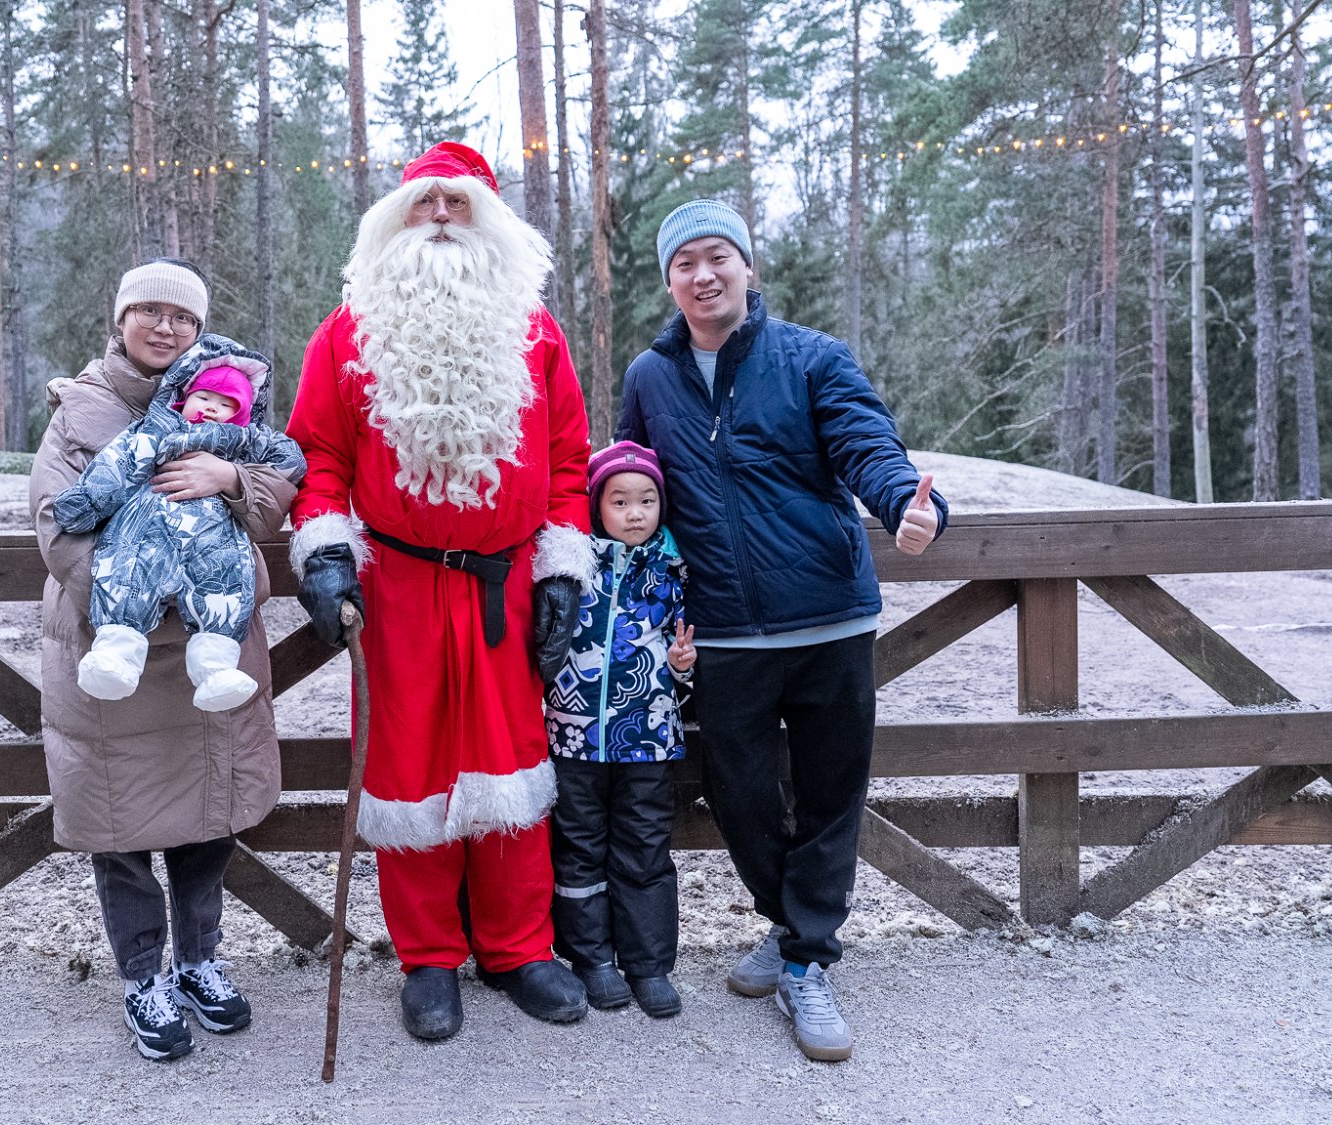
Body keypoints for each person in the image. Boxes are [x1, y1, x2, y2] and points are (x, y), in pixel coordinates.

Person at [616, 199, 944, 1063]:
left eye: (718, 255)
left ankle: (805, 956)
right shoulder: (650, 377)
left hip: (830, 616)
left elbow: (869, 447)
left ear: (747, 267)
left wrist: (910, 507)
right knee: (739, 796)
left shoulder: (811, 357)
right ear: (669, 280)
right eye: (684, 262)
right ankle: (791, 923)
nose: (703, 274)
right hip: (721, 628)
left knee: (833, 793)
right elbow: (631, 486)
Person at [284, 141, 595, 1041]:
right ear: (397, 217)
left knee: (513, 769)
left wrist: (563, 567)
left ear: (489, 219)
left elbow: (570, 460)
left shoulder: (536, 331)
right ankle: (428, 959)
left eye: (459, 205)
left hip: (505, 588)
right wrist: (325, 552)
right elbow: (321, 458)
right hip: (401, 589)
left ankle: (519, 947)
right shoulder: (347, 333)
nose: (442, 218)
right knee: (405, 767)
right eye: (427, 204)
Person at [29, 258, 296, 1062]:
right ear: (120, 320)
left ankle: (200, 960)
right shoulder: (79, 409)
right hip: (118, 644)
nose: (165, 327)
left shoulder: (229, 395)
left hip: (211, 652)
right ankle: (143, 973)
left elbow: (280, 484)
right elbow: (56, 523)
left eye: (180, 316)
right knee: (121, 824)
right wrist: (141, 603)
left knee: (206, 817)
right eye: (148, 311)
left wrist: (228, 476)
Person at [51, 343, 304, 708]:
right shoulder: (158, 430)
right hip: (146, 527)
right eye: (203, 395)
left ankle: (215, 667)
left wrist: (237, 456)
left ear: (243, 413)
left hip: (215, 538)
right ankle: (116, 654)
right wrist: (89, 501)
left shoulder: (246, 444)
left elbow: (291, 461)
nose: (212, 407)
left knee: (227, 581)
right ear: (182, 394)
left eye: (227, 403)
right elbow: (121, 463)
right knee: (126, 571)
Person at [542, 440, 697, 1019]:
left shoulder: (673, 569)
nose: (635, 512)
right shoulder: (570, 565)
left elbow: (685, 655)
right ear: (595, 506)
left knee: (644, 847)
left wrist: (684, 666)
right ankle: (592, 959)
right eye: (620, 500)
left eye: (647, 499)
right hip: (574, 734)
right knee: (579, 847)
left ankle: (649, 964)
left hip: (648, 735)